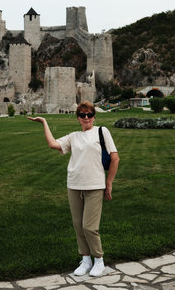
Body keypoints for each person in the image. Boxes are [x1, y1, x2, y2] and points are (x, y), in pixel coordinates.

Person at [28, 100, 120, 277]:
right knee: (78, 226)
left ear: (94, 116)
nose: (87, 118)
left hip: (95, 185)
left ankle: (98, 260)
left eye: (90, 115)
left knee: (89, 227)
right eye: (83, 115)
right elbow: (53, 145)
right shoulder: (74, 136)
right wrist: (44, 123)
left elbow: (115, 158)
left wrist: (109, 184)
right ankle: (85, 259)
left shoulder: (102, 131)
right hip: (74, 185)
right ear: (78, 118)